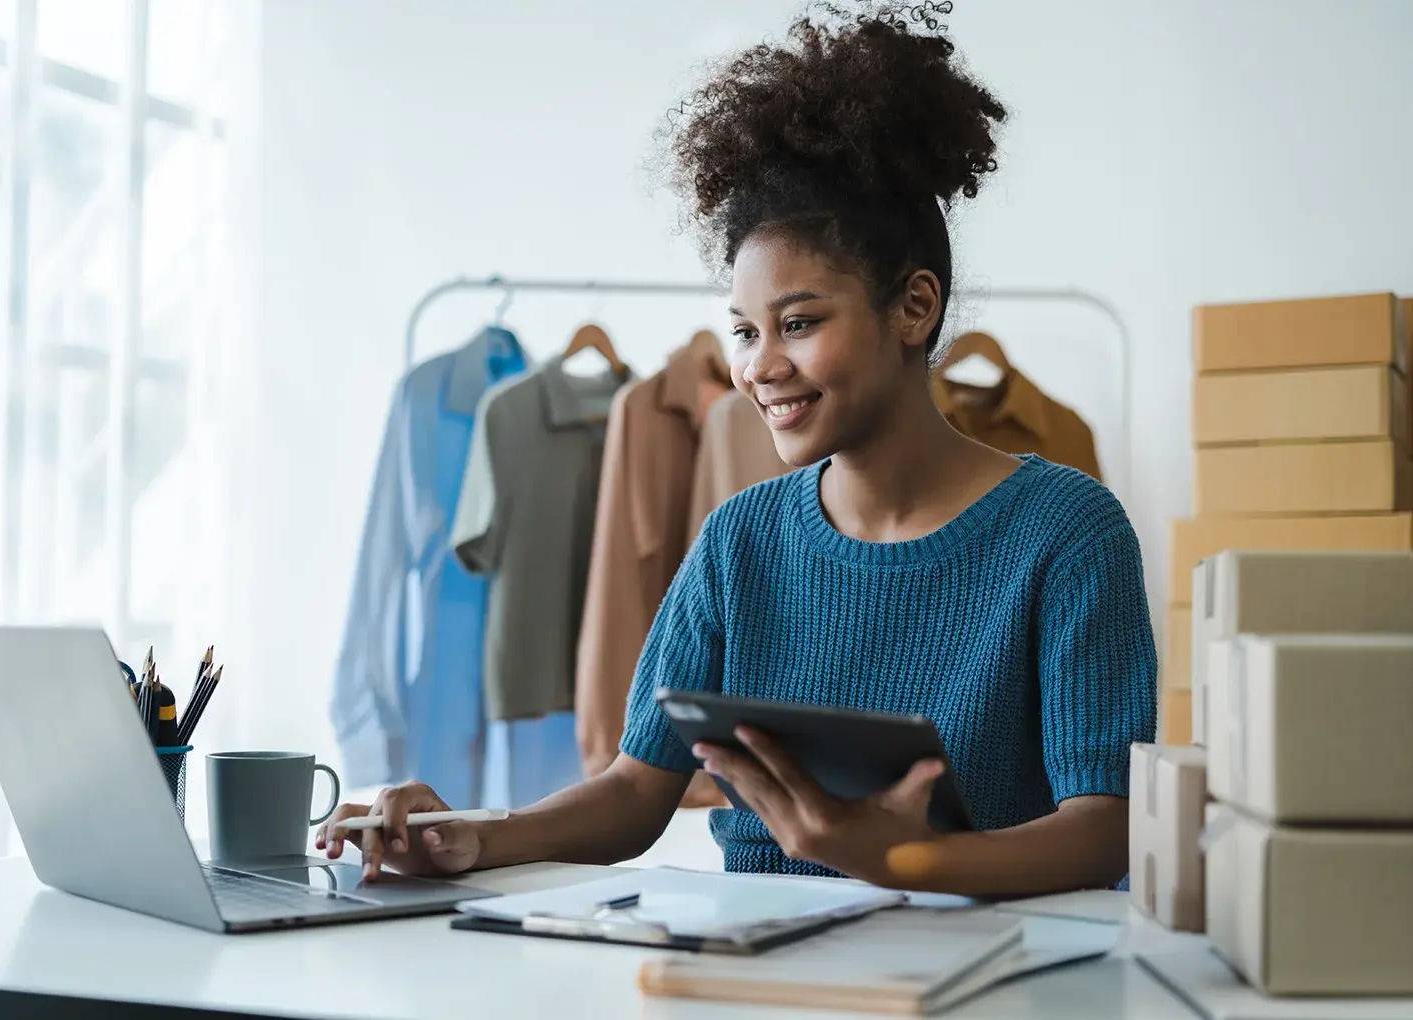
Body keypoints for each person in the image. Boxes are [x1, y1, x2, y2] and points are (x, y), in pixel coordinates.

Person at [317, 3, 1156, 897]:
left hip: (971, 964)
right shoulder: (740, 540)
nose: (761, 367)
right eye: (744, 331)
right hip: (746, 954)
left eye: (798, 323)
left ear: (914, 307)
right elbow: (637, 791)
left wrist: (903, 860)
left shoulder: (1068, 533)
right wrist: (473, 836)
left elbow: (1104, 829)